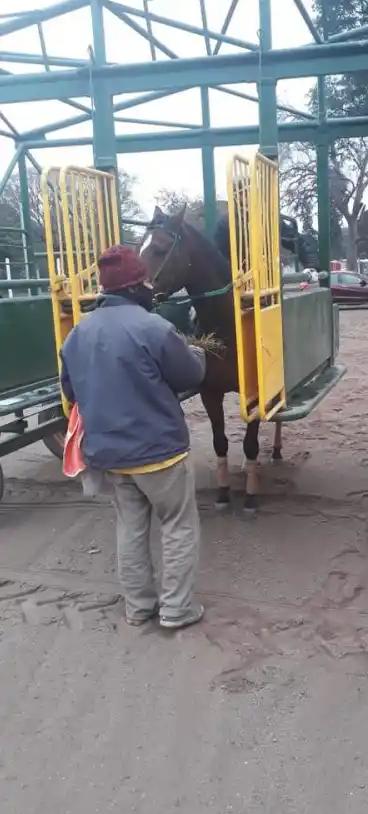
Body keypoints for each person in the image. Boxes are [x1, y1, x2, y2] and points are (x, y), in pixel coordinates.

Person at [60, 245, 207, 630]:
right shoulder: (154, 327)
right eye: (145, 280)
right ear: (134, 285)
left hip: (109, 456)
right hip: (161, 453)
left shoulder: (78, 333)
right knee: (177, 525)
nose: (149, 286)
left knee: (130, 528)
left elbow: (71, 391)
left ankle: (139, 607)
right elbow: (190, 376)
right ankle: (176, 610)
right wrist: (196, 354)